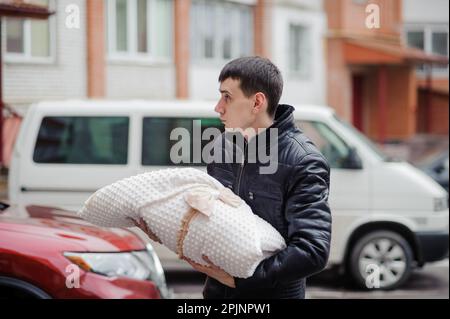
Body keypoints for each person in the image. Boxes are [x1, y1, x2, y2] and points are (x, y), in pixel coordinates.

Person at [184, 56, 332, 299]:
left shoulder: (303, 161)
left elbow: (312, 250)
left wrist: (241, 280)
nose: (218, 107)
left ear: (257, 103)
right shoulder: (221, 146)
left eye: (227, 97)